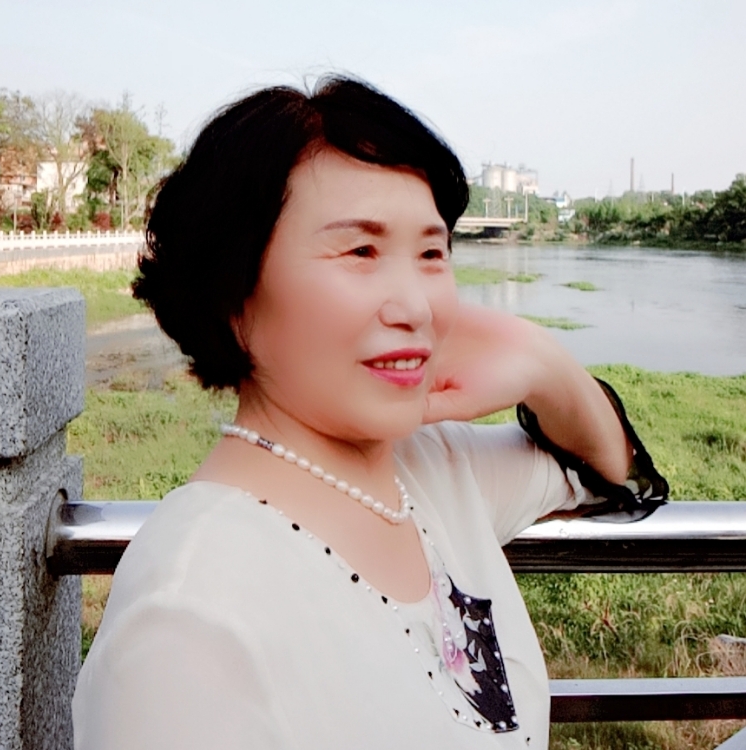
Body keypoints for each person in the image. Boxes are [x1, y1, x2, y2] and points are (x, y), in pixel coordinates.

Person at [72, 76, 667, 749]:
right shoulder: (186, 624)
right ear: (233, 295)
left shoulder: (436, 473)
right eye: (361, 251)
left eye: (432, 253)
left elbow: (609, 470)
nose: (415, 305)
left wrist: (542, 361)